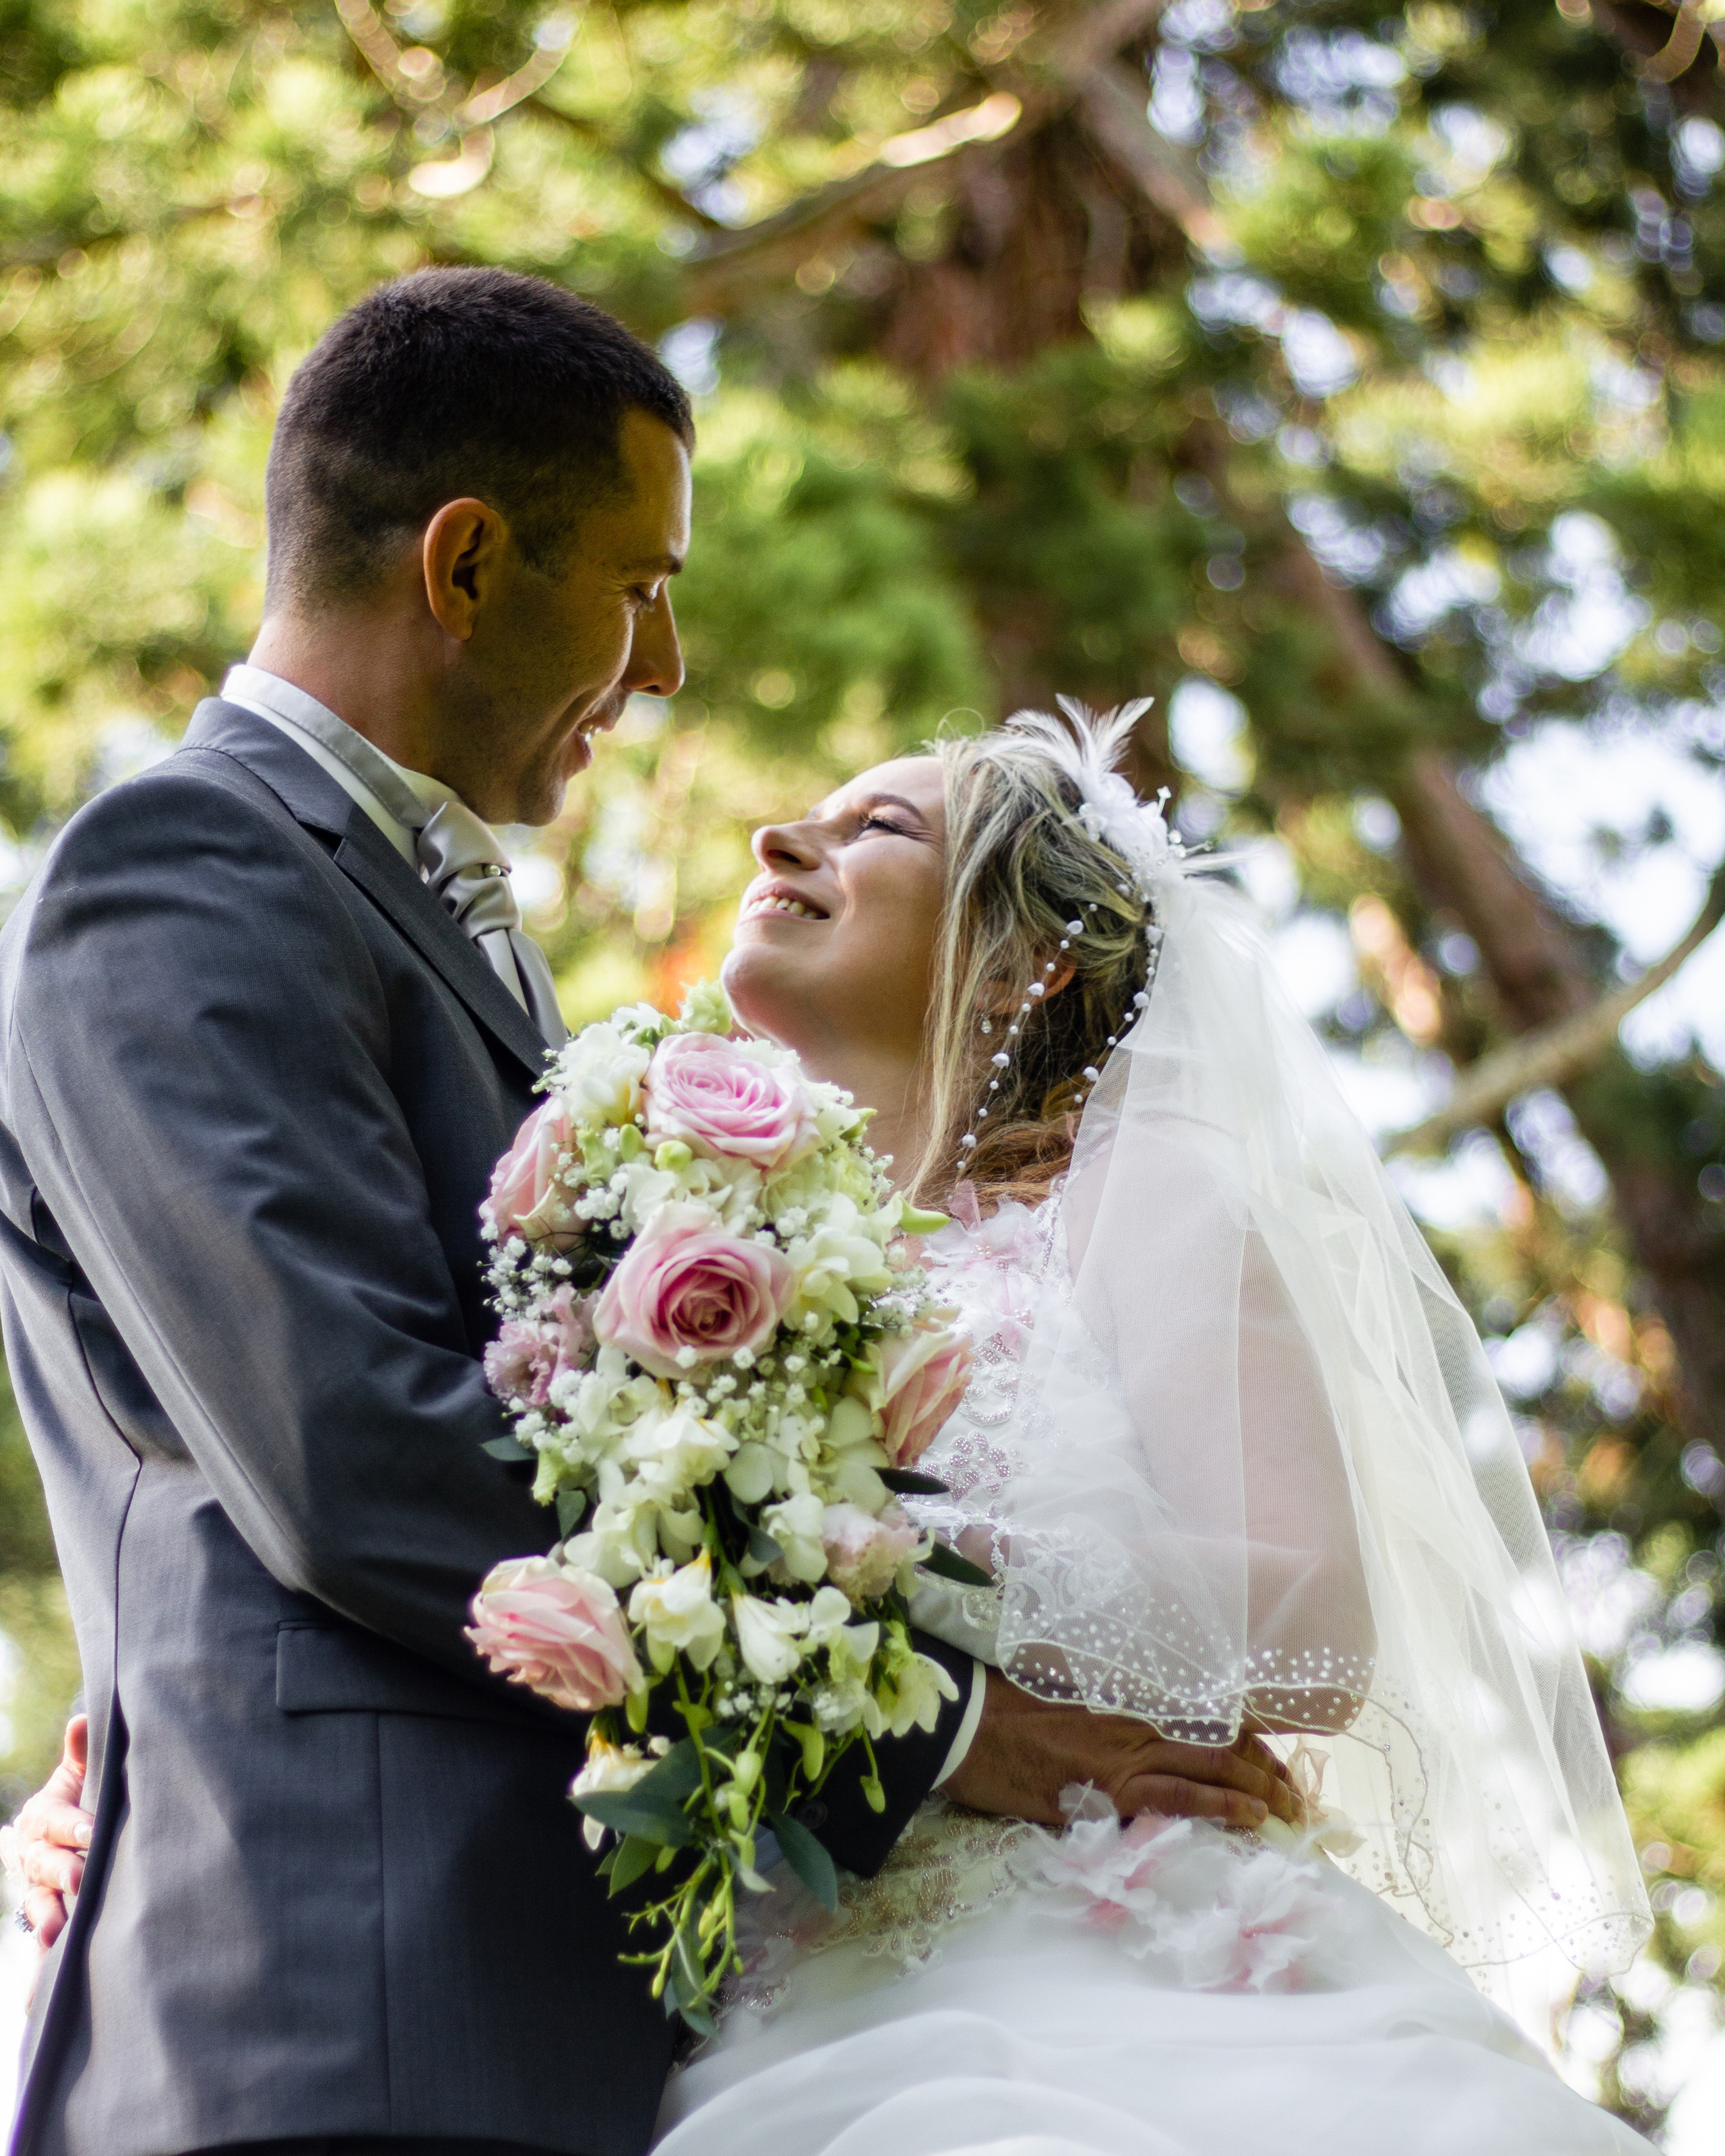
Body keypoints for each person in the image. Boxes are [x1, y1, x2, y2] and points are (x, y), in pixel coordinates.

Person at [0, 270, 1290, 2156]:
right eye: (639, 584)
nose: (666, 663)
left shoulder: (468, 956)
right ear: (462, 564)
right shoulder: (184, 866)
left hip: (567, 2015)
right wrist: (945, 1731)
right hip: (334, 2000)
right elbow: (352, 1448)